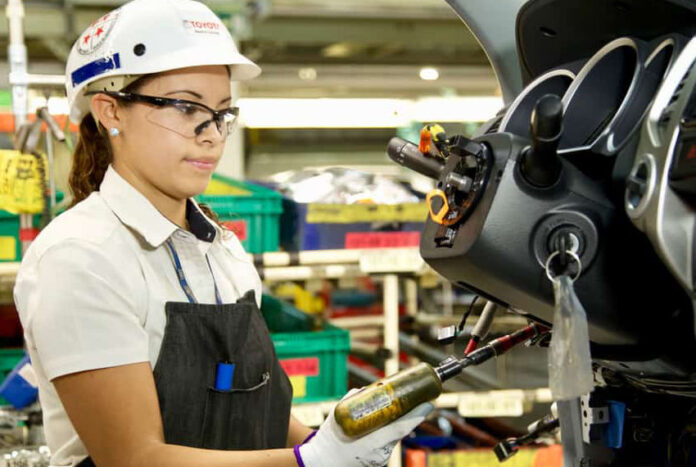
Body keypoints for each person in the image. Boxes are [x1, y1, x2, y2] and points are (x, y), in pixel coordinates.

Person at [12, 0, 431, 466]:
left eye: (222, 113)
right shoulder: (81, 258)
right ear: (110, 111)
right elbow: (133, 458)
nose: (211, 134)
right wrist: (307, 462)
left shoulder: (222, 249)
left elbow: (255, 410)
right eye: (186, 107)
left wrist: (331, 444)